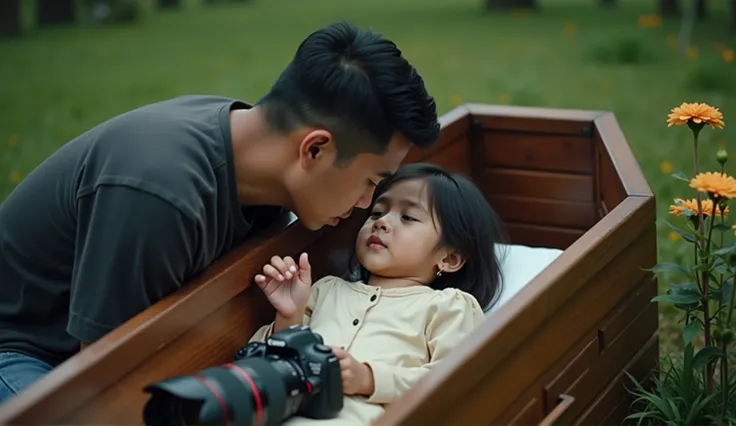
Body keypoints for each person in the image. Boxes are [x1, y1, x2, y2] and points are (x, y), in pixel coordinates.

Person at [0, 21, 440, 404]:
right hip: (25, 351)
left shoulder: (259, 161)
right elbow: (100, 391)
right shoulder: (160, 192)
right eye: (370, 181)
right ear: (315, 148)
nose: (366, 204)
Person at [250, 163, 507, 425]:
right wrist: (289, 315)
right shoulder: (326, 290)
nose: (382, 222)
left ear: (449, 258)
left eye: (408, 217)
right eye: (376, 213)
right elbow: (262, 365)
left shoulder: (448, 306)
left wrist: (369, 379)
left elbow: (456, 381)